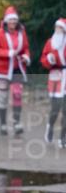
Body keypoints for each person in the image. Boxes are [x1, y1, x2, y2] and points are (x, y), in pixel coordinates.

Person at [0, 6, 30, 135]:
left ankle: (16, 123)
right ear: (6, 21)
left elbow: (26, 48)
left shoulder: (21, 32)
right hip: (2, 70)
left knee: (17, 95)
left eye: (15, 20)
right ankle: (2, 124)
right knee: (3, 97)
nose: (13, 22)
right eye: (10, 20)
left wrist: (26, 57)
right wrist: (9, 53)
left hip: (17, 68)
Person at [40, 18, 66, 147]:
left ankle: (63, 138)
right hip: (56, 77)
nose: (58, 30)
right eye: (56, 27)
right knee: (55, 109)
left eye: (60, 28)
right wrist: (49, 60)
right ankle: (50, 126)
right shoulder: (50, 42)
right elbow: (43, 60)